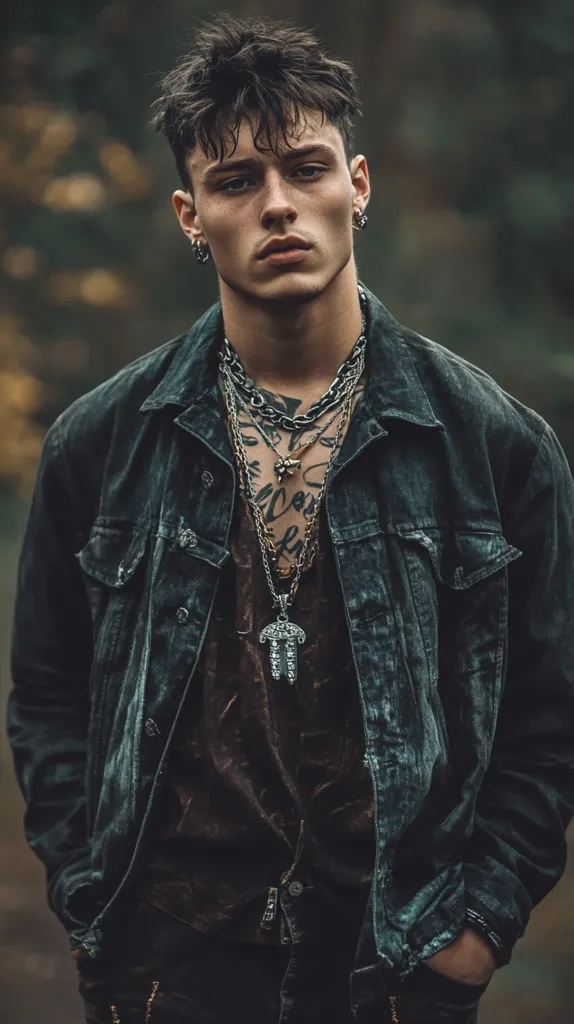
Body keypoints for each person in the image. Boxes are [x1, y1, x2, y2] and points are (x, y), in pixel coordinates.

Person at [7, 13, 574, 1024]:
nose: (278, 205)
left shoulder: (496, 447)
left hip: (399, 960)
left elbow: (548, 714)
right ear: (190, 215)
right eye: (235, 182)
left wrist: (479, 923)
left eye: (305, 169)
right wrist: (93, 889)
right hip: (165, 961)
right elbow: (49, 691)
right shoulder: (100, 447)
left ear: (356, 186)